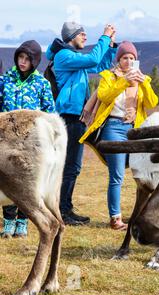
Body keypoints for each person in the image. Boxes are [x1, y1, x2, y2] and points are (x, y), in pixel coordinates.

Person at [79, 41, 158, 230]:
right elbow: (105, 96)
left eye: (132, 58)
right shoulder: (109, 76)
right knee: (117, 175)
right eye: (125, 58)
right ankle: (115, 218)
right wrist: (124, 82)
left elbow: (152, 102)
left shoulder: (143, 79)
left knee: (142, 174)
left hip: (135, 130)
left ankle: (141, 214)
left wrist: (143, 84)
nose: (128, 61)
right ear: (119, 59)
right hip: (114, 128)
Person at [46, 22, 118, 226]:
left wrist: (110, 47)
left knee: (71, 166)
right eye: (83, 34)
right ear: (72, 36)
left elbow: (101, 66)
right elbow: (93, 58)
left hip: (76, 117)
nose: (86, 38)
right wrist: (104, 37)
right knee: (71, 166)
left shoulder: (74, 58)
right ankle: (63, 210)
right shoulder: (64, 56)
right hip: (69, 116)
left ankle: (63, 207)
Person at [0, 40, 55, 238]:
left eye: (27, 59)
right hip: (6, 140)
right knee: (8, 179)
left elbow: (50, 112)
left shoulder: (41, 83)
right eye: (20, 58)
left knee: (27, 181)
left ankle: (23, 221)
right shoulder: (5, 80)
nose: (22, 62)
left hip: (31, 141)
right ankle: (8, 222)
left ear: (34, 61)